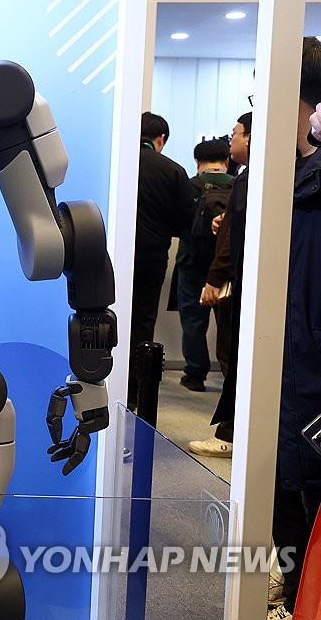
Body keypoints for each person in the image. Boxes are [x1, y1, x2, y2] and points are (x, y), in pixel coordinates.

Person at [265, 38, 321, 620]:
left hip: (308, 373)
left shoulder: (310, 186)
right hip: (286, 368)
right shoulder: (291, 179)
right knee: (286, 487)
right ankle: (291, 584)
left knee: (306, 492)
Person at [191, 110, 252, 459]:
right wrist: (223, 220)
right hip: (240, 278)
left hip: (235, 281)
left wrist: (215, 278)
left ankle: (231, 434)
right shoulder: (246, 178)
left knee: (232, 355)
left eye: (236, 133)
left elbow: (233, 240)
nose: (232, 140)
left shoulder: (250, 179)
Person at [130, 111, 197, 408]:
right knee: (143, 322)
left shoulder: (118, 162)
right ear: (161, 139)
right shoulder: (173, 171)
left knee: (105, 316)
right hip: (151, 257)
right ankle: (135, 392)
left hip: (110, 256)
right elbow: (186, 221)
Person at [175, 137, 235, 391]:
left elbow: (179, 223)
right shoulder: (238, 185)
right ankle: (231, 376)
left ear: (197, 161)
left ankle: (195, 374)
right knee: (228, 323)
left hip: (191, 262)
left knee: (193, 320)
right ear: (227, 161)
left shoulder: (190, 186)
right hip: (226, 265)